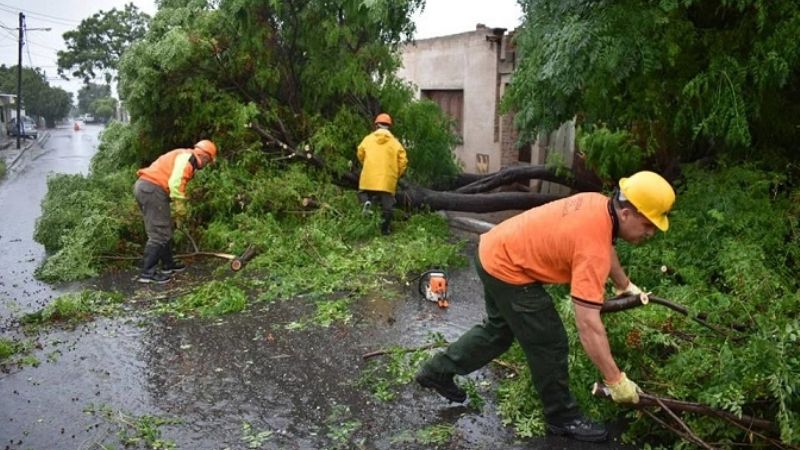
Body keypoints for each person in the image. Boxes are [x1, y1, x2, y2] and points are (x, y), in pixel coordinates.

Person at [415, 171, 676, 442]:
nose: (650, 233)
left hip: (493, 250)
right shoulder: (592, 248)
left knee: (498, 331)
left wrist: (623, 284)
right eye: (648, 225)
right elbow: (588, 324)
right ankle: (562, 417)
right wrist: (615, 380)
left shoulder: (599, 205)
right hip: (508, 267)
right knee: (550, 342)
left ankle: (436, 372)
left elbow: (606, 244)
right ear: (626, 214)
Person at [133, 140, 218, 283]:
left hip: (148, 188)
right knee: (159, 232)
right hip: (153, 189)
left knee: (165, 229)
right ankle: (147, 273)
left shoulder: (185, 155)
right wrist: (180, 204)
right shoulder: (188, 159)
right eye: (208, 161)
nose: (206, 165)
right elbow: (176, 183)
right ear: (205, 157)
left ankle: (168, 264)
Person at [357, 113, 408, 235]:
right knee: (387, 208)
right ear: (389, 127)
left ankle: (366, 203)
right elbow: (403, 161)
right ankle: (384, 230)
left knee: (362, 192)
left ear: (376, 126)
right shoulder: (395, 143)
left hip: (369, 178)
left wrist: (366, 164)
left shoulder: (368, 139)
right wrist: (397, 173)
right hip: (387, 181)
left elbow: (360, 153)